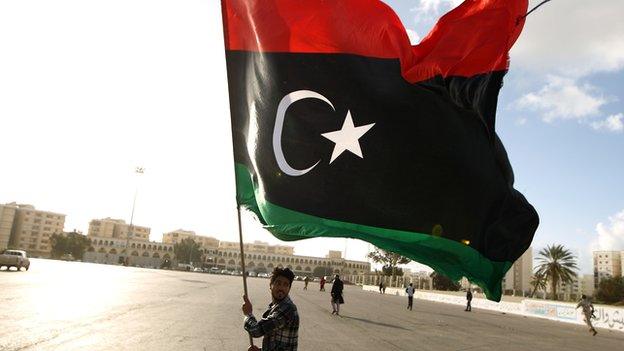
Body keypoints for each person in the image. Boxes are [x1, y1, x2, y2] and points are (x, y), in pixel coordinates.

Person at [242, 267, 300, 351]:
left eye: (286, 285)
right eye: (278, 283)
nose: (281, 288)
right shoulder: (276, 306)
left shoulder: (287, 309)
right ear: (271, 285)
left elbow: (256, 330)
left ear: (289, 288)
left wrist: (248, 314)